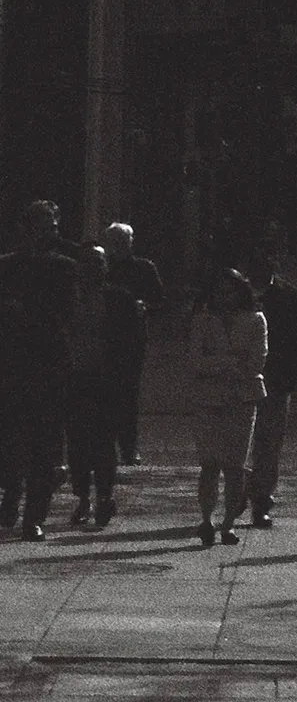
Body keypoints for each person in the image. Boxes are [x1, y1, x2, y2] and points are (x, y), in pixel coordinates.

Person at [0, 201, 78, 538]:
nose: (49, 233)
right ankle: (12, 495)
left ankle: (35, 514)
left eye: (53, 226)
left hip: (48, 364)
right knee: (11, 439)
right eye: (42, 226)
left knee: (45, 444)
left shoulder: (65, 267)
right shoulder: (7, 267)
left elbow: (67, 316)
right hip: (13, 364)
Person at [189, 268, 267, 544]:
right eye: (220, 291)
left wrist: (217, 361)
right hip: (208, 398)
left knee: (235, 465)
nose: (225, 297)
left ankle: (229, 523)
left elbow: (256, 363)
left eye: (230, 291)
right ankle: (206, 519)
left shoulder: (256, 320)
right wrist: (231, 361)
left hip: (241, 398)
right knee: (209, 463)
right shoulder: (203, 320)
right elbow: (196, 361)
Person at [248, 260, 297, 529]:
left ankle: (261, 500)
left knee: (268, 443)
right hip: (238, 380)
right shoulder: (232, 293)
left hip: (276, 380)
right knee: (239, 445)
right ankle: (245, 494)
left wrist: (292, 373)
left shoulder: (289, 297)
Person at [98, 223, 168, 466]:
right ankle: (108, 447)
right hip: (104, 336)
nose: (119, 247)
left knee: (128, 393)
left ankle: (128, 447)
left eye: (123, 242)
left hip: (131, 337)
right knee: (105, 393)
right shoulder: (102, 267)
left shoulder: (143, 268)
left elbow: (159, 299)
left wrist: (145, 306)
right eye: (115, 242)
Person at [61, 247, 119, 527]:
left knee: (104, 443)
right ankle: (83, 498)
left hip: (104, 380)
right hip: (74, 378)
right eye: (87, 263)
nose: (92, 269)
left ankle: (105, 496)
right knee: (78, 444)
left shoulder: (117, 299)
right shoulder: (66, 298)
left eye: (98, 263)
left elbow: (128, 344)